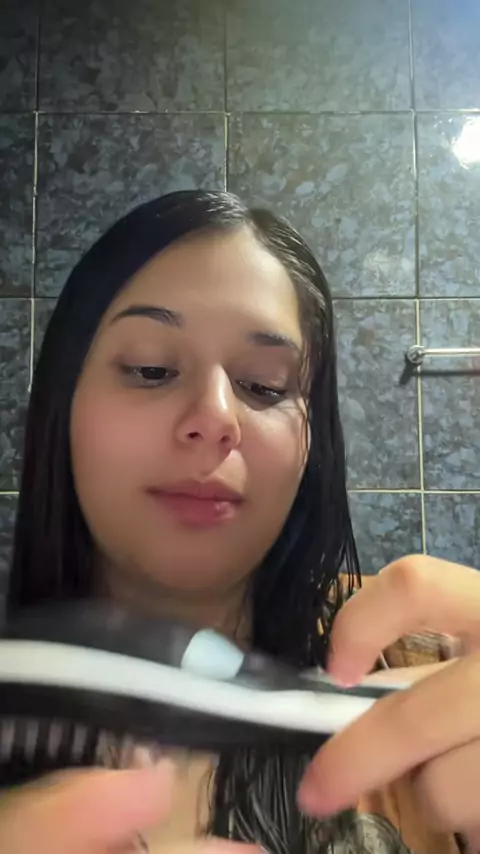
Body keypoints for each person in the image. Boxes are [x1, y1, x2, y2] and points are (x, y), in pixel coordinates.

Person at [1, 189, 478, 853]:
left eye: (264, 386)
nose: (215, 418)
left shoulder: (433, 663)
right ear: (63, 407)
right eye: (150, 368)